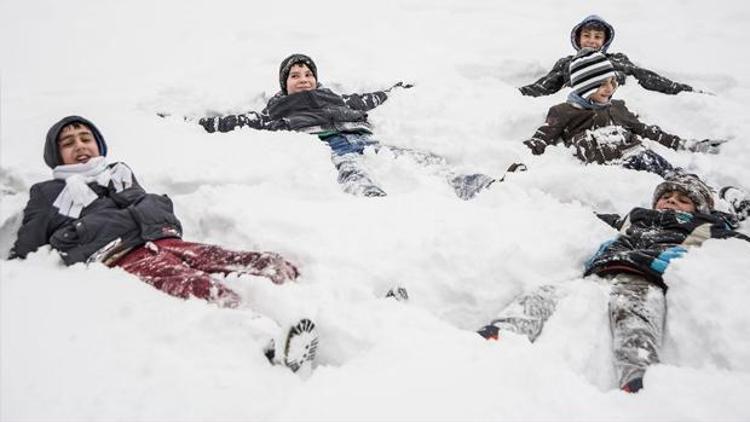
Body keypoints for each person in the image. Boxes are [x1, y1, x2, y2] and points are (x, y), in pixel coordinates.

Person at [9, 115, 317, 373]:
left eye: (85, 138)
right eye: (68, 142)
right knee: (191, 284)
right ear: (56, 155)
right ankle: (264, 339)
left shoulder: (119, 175)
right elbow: (26, 249)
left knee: (224, 256)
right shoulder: (47, 193)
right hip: (119, 254)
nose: (80, 146)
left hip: (160, 238)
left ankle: (302, 291)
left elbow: (145, 208)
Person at [476, 174, 750, 393]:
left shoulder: (705, 224)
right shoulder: (637, 216)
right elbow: (598, 218)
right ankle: (506, 328)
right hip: (604, 270)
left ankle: (636, 375)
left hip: (646, 276)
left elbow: (735, 241)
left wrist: (733, 202)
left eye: (682, 199)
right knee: (549, 293)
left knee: (636, 316)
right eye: (666, 196)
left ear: (698, 208)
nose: (671, 202)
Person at [196, 54, 502, 199]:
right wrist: (193, 123)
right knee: (350, 167)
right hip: (331, 143)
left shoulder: (336, 99)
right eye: (295, 75)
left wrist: (393, 90)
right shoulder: (277, 110)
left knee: (413, 157)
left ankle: (466, 182)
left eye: (307, 73)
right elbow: (234, 122)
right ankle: (366, 193)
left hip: (362, 137)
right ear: (285, 84)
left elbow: (368, 99)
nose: (303, 78)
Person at [523, 48, 726, 179]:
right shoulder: (563, 111)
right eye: (601, 85)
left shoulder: (617, 107)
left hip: (640, 156)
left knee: (677, 180)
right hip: (606, 168)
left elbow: (646, 131)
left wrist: (685, 144)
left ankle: (724, 200)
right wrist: (520, 161)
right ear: (584, 87)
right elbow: (541, 139)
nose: (609, 88)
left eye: (612, 82)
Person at [519, 15, 697, 97]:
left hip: (611, 105)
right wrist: (517, 94)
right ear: (578, 38)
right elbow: (544, 85)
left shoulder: (616, 59)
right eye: (587, 36)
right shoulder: (568, 63)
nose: (591, 41)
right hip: (577, 106)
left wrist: (680, 89)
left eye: (597, 37)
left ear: (604, 41)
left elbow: (645, 76)